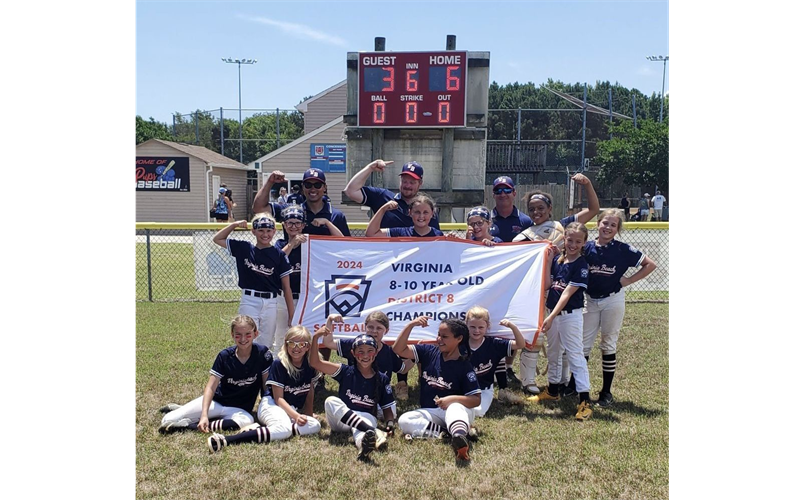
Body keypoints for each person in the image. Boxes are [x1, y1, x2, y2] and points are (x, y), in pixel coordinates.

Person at [512, 173, 600, 395]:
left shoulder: (562, 227)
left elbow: (593, 210)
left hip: (559, 289)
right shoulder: (524, 235)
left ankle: (560, 384)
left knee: (562, 345)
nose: (536, 212)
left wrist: (588, 184)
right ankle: (529, 382)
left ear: (550, 209)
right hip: (535, 292)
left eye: (541, 208)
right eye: (532, 209)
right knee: (536, 337)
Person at [576, 209, 657, 407]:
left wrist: (628, 280)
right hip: (590, 300)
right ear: (597, 223)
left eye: (613, 225)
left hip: (613, 299)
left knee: (608, 344)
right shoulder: (585, 247)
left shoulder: (622, 249)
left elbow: (650, 264)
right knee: (583, 345)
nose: (608, 228)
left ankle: (606, 392)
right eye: (605, 223)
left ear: (618, 229)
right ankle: (578, 386)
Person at [206, 326, 322, 452]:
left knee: (314, 425)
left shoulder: (311, 364)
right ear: (286, 344)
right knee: (284, 429)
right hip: (271, 404)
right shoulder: (280, 364)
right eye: (292, 343)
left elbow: (309, 390)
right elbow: (279, 399)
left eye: (301, 344)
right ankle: (227, 440)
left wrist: (308, 414)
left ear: (308, 347)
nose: (296, 348)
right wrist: (296, 416)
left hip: (290, 409)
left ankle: (258, 429)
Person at [159, 315, 272, 434]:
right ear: (232, 335)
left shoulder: (263, 354)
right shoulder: (224, 356)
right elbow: (211, 387)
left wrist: (266, 408)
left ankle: (187, 426)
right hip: (217, 402)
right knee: (168, 419)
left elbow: (266, 387)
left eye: (248, 334)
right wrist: (204, 414)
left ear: (256, 333)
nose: (243, 338)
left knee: (247, 420)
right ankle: (185, 411)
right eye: (238, 334)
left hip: (239, 409)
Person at [528, 222, 594, 421]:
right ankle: (553, 389)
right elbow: (549, 284)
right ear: (564, 238)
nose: (573, 244)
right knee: (554, 353)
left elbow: (566, 294)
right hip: (554, 315)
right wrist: (549, 261)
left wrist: (550, 316)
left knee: (575, 355)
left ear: (584, 243)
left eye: (578, 241)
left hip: (569, 316)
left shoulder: (581, 265)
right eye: (569, 239)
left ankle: (585, 401)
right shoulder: (560, 260)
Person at [393, 317, 481, 462]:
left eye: (444, 336)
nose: (439, 339)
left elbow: (476, 400)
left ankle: (459, 435)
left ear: (459, 338)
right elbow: (398, 349)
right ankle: (447, 434)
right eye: (438, 334)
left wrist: (451, 399)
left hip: (457, 412)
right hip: (432, 412)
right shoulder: (428, 352)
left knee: (454, 408)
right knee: (404, 420)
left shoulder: (464, 366)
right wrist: (411, 325)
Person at [310, 325, 395, 460]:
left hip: (365, 419)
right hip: (341, 421)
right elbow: (315, 362)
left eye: (370, 351)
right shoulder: (345, 371)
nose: (365, 356)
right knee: (330, 401)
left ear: (376, 352)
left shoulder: (382, 379)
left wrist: (390, 423)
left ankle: (363, 447)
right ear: (353, 353)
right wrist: (315, 338)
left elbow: (387, 408)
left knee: (361, 429)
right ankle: (373, 431)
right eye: (360, 351)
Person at [213, 214, 294, 353]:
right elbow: (217, 239)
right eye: (261, 230)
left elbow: (286, 287)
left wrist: (292, 314)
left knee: (266, 342)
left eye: (269, 230)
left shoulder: (279, 254)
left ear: (274, 231)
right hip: (250, 299)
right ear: (253, 231)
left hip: (271, 301)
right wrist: (234, 224)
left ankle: (262, 373)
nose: (265, 234)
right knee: (247, 337)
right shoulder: (244, 248)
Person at [320, 311, 413, 420]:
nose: (374, 331)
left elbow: (403, 369)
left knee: (391, 412)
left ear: (386, 331)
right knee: (336, 404)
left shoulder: (388, 352)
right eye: (370, 327)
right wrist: (330, 320)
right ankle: (358, 414)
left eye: (379, 328)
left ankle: (359, 416)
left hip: (375, 399)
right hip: (354, 396)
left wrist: (418, 355)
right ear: (365, 327)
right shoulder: (355, 344)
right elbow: (328, 343)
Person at [274, 204, 343, 348]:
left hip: (308, 298)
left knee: (307, 336)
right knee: (281, 336)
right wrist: (291, 244)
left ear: (303, 225)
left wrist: (327, 223)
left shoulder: (311, 242)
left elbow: (341, 242)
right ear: (284, 225)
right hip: (284, 297)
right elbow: (276, 263)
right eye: (290, 222)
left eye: (297, 222)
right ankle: (279, 367)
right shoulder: (280, 244)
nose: (294, 226)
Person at [466, 307, 526, 431]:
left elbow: (520, 344)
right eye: (472, 327)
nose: (476, 331)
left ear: (487, 326)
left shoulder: (494, 344)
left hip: (483, 390)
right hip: (463, 389)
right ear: (466, 324)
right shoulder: (460, 344)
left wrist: (512, 327)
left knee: (478, 412)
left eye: (481, 327)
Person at [344, 159, 441, 231]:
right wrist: (370, 168)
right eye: (404, 181)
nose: (407, 185)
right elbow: (350, 191)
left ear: (420, 183)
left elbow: (434, 239)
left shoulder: (426, 209)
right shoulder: (383, 197)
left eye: (412, 182)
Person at [252, 169, 351, 237]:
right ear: (303, 187)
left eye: (317, 185)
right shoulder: (290, 211)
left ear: (324, 187)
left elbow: (346, 245)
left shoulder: (336, 216)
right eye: (308, 185)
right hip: (295, 266)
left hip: (325, 266)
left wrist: (327, 223)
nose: (313, 189)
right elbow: (258, 208)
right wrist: (270, 182)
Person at [366, 194, 444, 238]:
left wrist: (453, 238)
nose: (421, 216)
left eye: (425, 212)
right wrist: (383, 209)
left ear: (432, 214)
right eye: (417, 212)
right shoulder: (401, 233)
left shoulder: (438, 236)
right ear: (410, 213)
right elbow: (371, 234)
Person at [489, 176, 533, 243]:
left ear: (514, 193)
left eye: (507, 190)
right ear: (493, 195)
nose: (503, 194)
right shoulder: (484, 222)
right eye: (498, 191)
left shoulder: (526, 222)